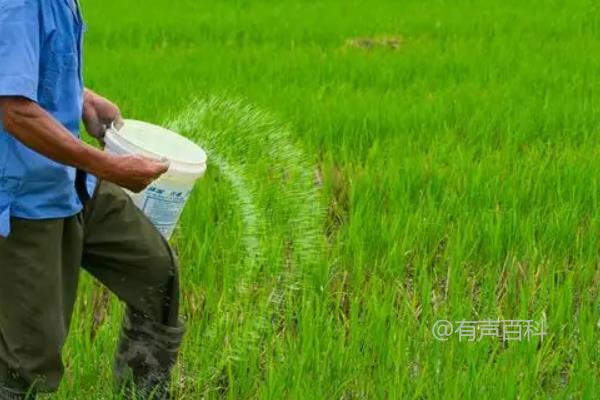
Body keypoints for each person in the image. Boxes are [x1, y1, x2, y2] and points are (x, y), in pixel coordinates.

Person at [0, 1, 186, 399]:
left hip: (70, 180)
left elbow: (26, 66)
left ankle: (143, 393)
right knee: (28, 362)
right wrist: (110, 167)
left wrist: (79, 96)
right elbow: (13, 110)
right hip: (25, 200)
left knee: (155, 271)